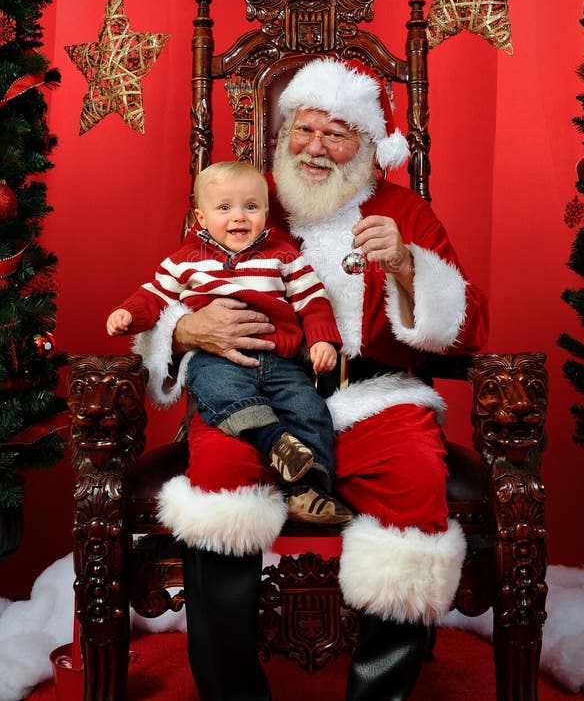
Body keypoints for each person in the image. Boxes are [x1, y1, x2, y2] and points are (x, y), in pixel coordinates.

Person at [134, 57, 489, 701]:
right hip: (250, 389)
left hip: (371, 396)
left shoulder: (403, 209)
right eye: (305, 128)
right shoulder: (243, 198)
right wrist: (185, 332)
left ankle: (379, 694)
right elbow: (169, 289)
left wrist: (411, 267)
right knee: (217, 489)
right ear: (282, 130)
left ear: (369, 146)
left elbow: (469, 328)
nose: (317, 147)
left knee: (413, 478)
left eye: (338, 133)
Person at [107, 160, 351, 524]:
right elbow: (153, 295)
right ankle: (273, 440)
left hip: (280, 360)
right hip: (218, 358)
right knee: (217, 387)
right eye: (224, 208)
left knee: (310, 408)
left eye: (251, 207)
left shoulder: (283, 256)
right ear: (201, 218)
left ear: (266, 213)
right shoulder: (187, 261)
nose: (239, 217)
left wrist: (322, 341)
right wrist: (129, 314)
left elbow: (313, 299)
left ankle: (309, 489)